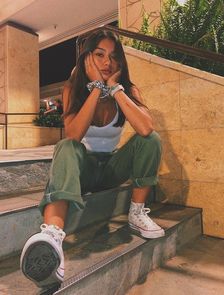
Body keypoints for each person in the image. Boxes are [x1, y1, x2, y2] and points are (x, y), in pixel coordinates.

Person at [20, 29, 164, 289]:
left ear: (121, 62)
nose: (107, 63)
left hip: (111, 168)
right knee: (66, 146)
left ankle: (136, 212)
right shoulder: (72, 90)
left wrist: (115, 90)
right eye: (99, 55)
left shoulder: (128, 90)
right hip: (82, 169)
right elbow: (74, 135)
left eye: (113, 56)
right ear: (87, 58)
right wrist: (96, 88)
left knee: (150, 140)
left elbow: (145, 128)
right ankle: (52, 236)